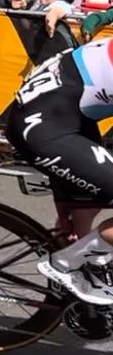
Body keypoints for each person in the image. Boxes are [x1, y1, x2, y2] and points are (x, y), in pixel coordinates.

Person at [6, 36, 113, 304]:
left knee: (92, 201)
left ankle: (83, 272)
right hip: (45, 126)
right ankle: (66, 263)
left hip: (66, 112)